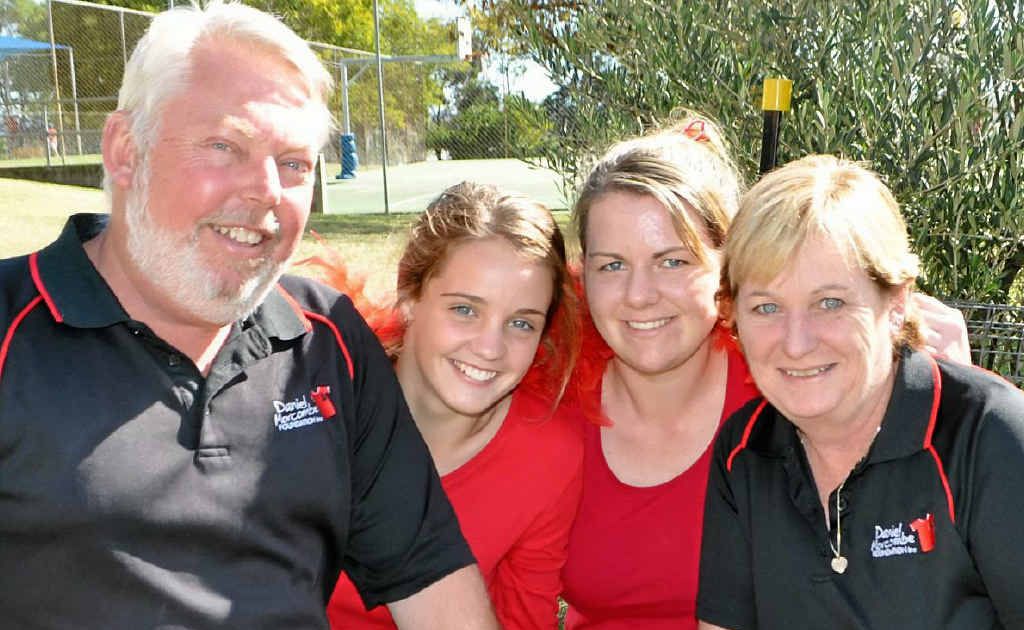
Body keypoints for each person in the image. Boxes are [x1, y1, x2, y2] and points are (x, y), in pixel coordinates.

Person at [0, 3, 498, 628]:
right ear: (126, 150)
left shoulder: (326, 340)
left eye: (293, 164)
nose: (266, 192)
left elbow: (432, 582)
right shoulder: (10, 330)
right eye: (224, 146)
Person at [558, 118, 973, 629]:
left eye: (672, 262)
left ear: (728, 268)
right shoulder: (552, 402)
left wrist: (946, 393)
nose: (639, 295)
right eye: (612, 266)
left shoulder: (788, 385)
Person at [697, 155, 1024, 629]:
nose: (796, 342)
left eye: (830, 302)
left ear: (896, 303)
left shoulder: (989, 437)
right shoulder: (744, 453)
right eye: (766, 307)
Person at [320, 182, 583, 629]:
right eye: (464, 309)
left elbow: (523, 619)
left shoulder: (548, 455)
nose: (489, 347)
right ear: (409, 296)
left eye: (521, 322)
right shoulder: (324, 408)